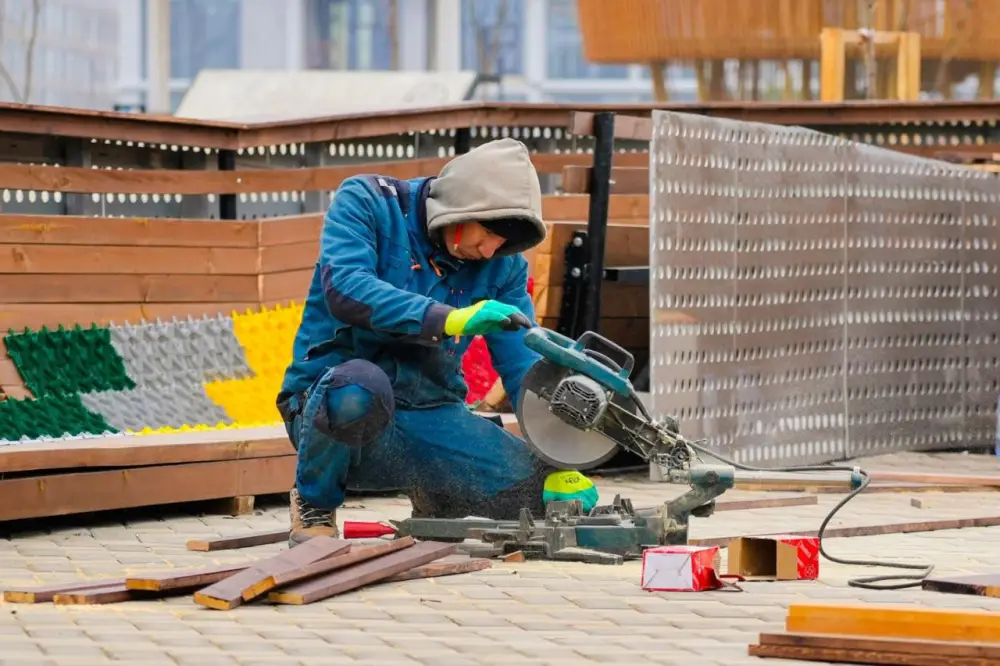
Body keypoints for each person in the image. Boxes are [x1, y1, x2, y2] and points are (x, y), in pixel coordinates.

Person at [277, 138, 599, 545]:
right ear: (460, 207)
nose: (491, 251)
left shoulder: (504, 268)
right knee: (356, 388)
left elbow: (524, 366)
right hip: (335, 412)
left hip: (431, 414)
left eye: (503, 243)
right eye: (489, 233)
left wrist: (558, 459)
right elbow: (346, 288)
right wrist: (448, 319)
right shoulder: (368, 203)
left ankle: (438, 495)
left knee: (538, 493)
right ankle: (314, 503)